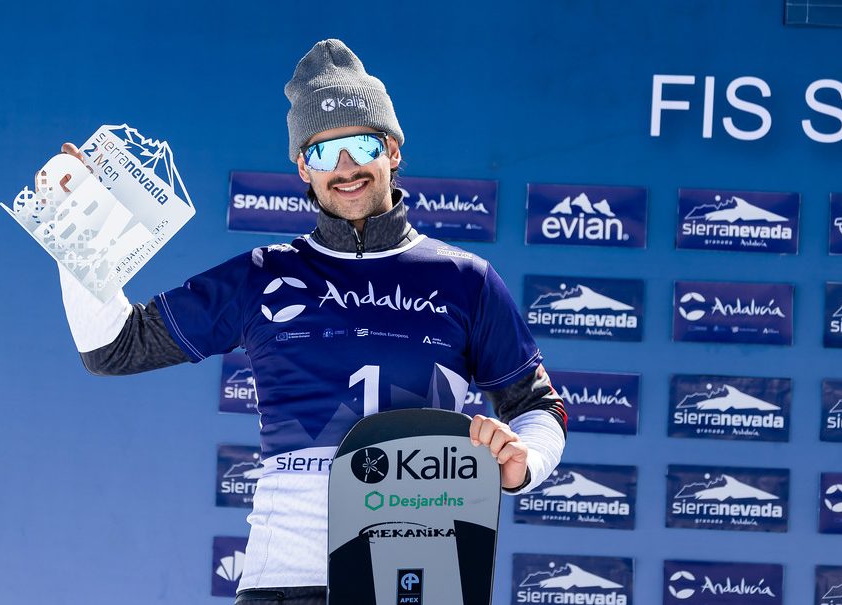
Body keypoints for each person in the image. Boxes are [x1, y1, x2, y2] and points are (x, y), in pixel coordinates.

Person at [56, 39, 566, 605]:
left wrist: (524, 462)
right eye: (323, 154)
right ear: (303, 167)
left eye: (359, 145)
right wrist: (79, 232)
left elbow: (536, 406)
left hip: (418, 585)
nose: (344, 168)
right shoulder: (261, 276)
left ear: (392, 150)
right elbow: (112, 348)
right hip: (285, 587)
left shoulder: (465, 278)